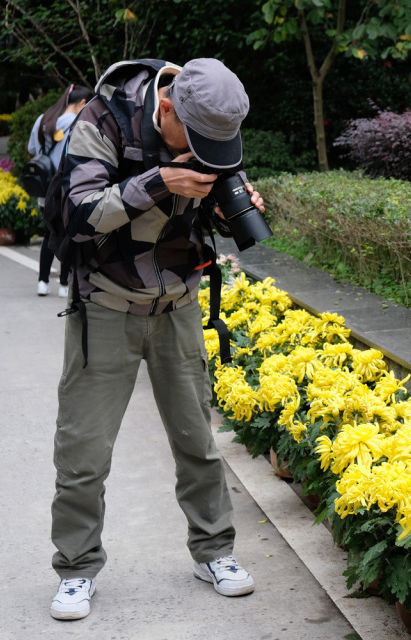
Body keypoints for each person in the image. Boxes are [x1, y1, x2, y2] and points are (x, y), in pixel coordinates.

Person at [49, 58, 264, 621]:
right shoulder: (102, 121)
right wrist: (158, 181)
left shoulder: (208, 123)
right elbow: (81, 213)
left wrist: (229, 206)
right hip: (106, 309)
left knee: (198, 441)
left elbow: (201, 216)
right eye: (193, 142)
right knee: (84, 453)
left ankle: (214, 552)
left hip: (179, 307)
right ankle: (76, 569)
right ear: (166, 107)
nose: (201, 152)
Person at [28, 85, 93, 298]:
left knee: (49, 235)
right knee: (69, 237)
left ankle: (42, 282)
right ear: (83, 103)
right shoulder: (79, 123)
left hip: (44, 191)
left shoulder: (42, 119)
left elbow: (31, 150)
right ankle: (65, 284)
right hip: (66, 190)